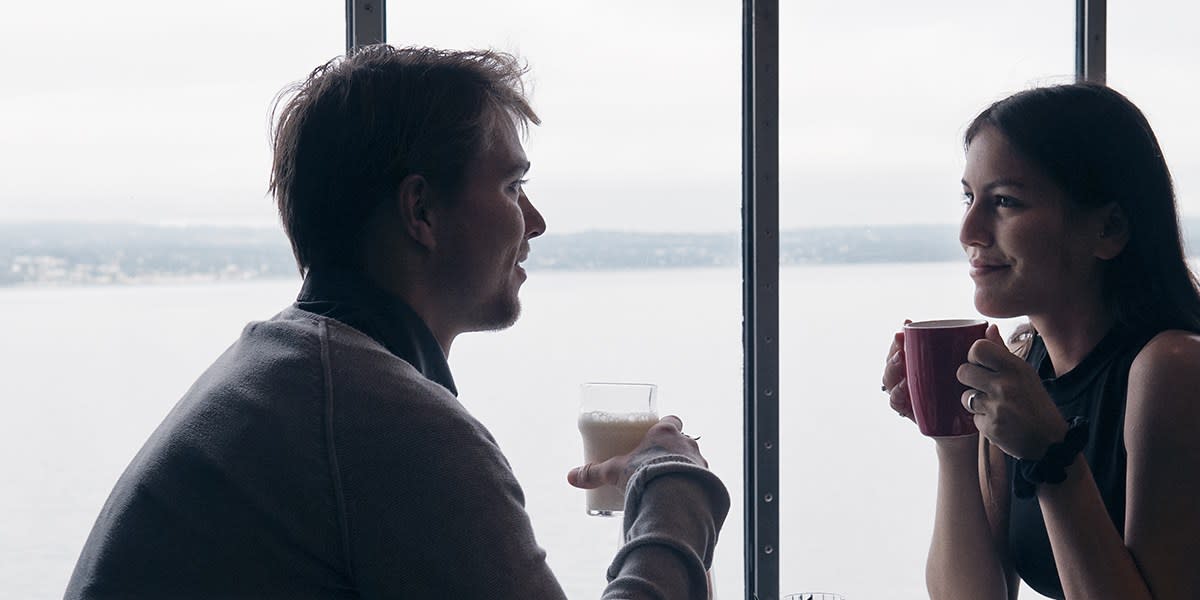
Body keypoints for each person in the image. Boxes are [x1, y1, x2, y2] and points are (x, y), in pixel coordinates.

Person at [65, 45, 729, 599]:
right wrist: (674, 490)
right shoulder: (382, 420)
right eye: (511, 187)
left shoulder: (288, 373)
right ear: (421, 212)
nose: (535, 222)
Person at [881, 83, 1200, 600]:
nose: (969, 230)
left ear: (1109, 228)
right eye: (969, 197)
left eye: (1005, 201)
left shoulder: (1174, 368)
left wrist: (1053, 457)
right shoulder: (1026, 363)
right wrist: (955, 437)